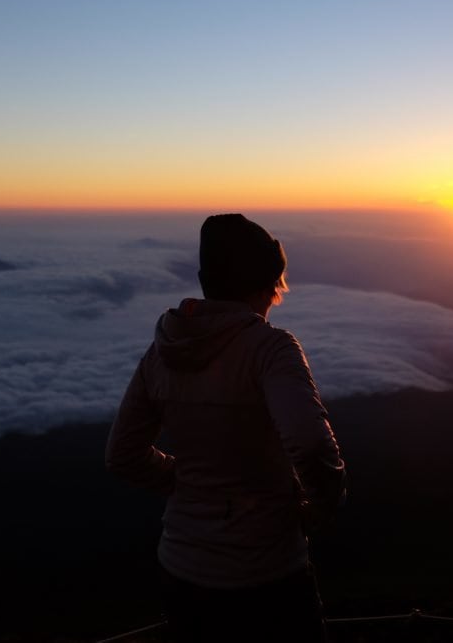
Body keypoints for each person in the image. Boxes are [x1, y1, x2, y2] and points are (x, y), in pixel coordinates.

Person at [106, 213, 346, 642]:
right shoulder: (272, 349)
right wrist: (320, 507)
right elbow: (311, 446)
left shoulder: (163, 352)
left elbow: (123, 455)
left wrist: (185, 481)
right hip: (268, 573)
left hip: (181, 572)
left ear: (205, 278)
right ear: (265, 282)